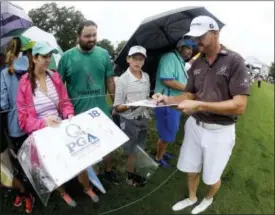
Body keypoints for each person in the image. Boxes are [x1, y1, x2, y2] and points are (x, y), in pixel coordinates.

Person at [152, 16, 250, 214]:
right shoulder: (197, 63)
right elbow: (190, 93)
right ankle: (192, 197)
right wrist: (167, 99)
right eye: (193, 38)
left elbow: (239, 106)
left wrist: (199, 105)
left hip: (220, 132)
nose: (196, 43)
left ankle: (207, 198)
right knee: (191, 168)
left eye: (201, 37)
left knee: (211, 177)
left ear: (215, 33)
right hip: (195, 127)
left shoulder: (235, 61)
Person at [16, 41, 99, 207]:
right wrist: (43, 122)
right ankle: (63, 192)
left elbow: (65, 102)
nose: (48, 60)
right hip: (41, 132)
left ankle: (86, 187)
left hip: (61, 127)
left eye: (49, 56)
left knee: (79, 159)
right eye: (44, 56)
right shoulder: (24, 83)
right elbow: (23, 119)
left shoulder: (55, 77)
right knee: (55, 165)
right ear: (34, 58)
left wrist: (69, 114)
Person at [57, 20, 120, 184]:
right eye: (87, 36)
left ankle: (108, 170)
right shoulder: (66, 57)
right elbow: (59, 87)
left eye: (94, 35)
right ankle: (91, 176)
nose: (91, 39)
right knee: (86, 148)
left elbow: (110, 81)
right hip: (78, 114)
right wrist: (62, 110)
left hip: (101, 110)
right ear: (78, 36)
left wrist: (116, 102)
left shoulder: (104, 54)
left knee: (107, 143)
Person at [0, 37, 34, 213]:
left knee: (19, 161)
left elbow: (3, 104)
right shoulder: (30, 70)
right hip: (33, 122)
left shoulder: (5, 74)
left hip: (15, 126)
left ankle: (27, 194)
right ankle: (31, 191)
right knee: (31, 159)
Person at [153, 38, 193, 167]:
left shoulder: (179, 61)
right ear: (180, 47)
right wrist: (188, 89)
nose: (191, 51)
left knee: (170, 130)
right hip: (166, 103)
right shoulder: (170, 57)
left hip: (174, 104)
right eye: (188, 48)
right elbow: (168, 80)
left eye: (192, 49)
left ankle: (163, 153)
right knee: (166, 133)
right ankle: (158, 158)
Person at [113, 45, 150, 186]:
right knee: (132, 151)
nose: (138, 62)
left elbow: (146, 97)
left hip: (143, 118)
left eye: (141, 59)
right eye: (135, 58)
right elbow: (117, 106)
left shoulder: (145, 76)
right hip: (129, 121)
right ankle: (130, 176)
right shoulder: (122, 80)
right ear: (128, 59)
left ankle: (137, 173)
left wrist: (151, 101)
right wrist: (130, 105)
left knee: (140, 148)